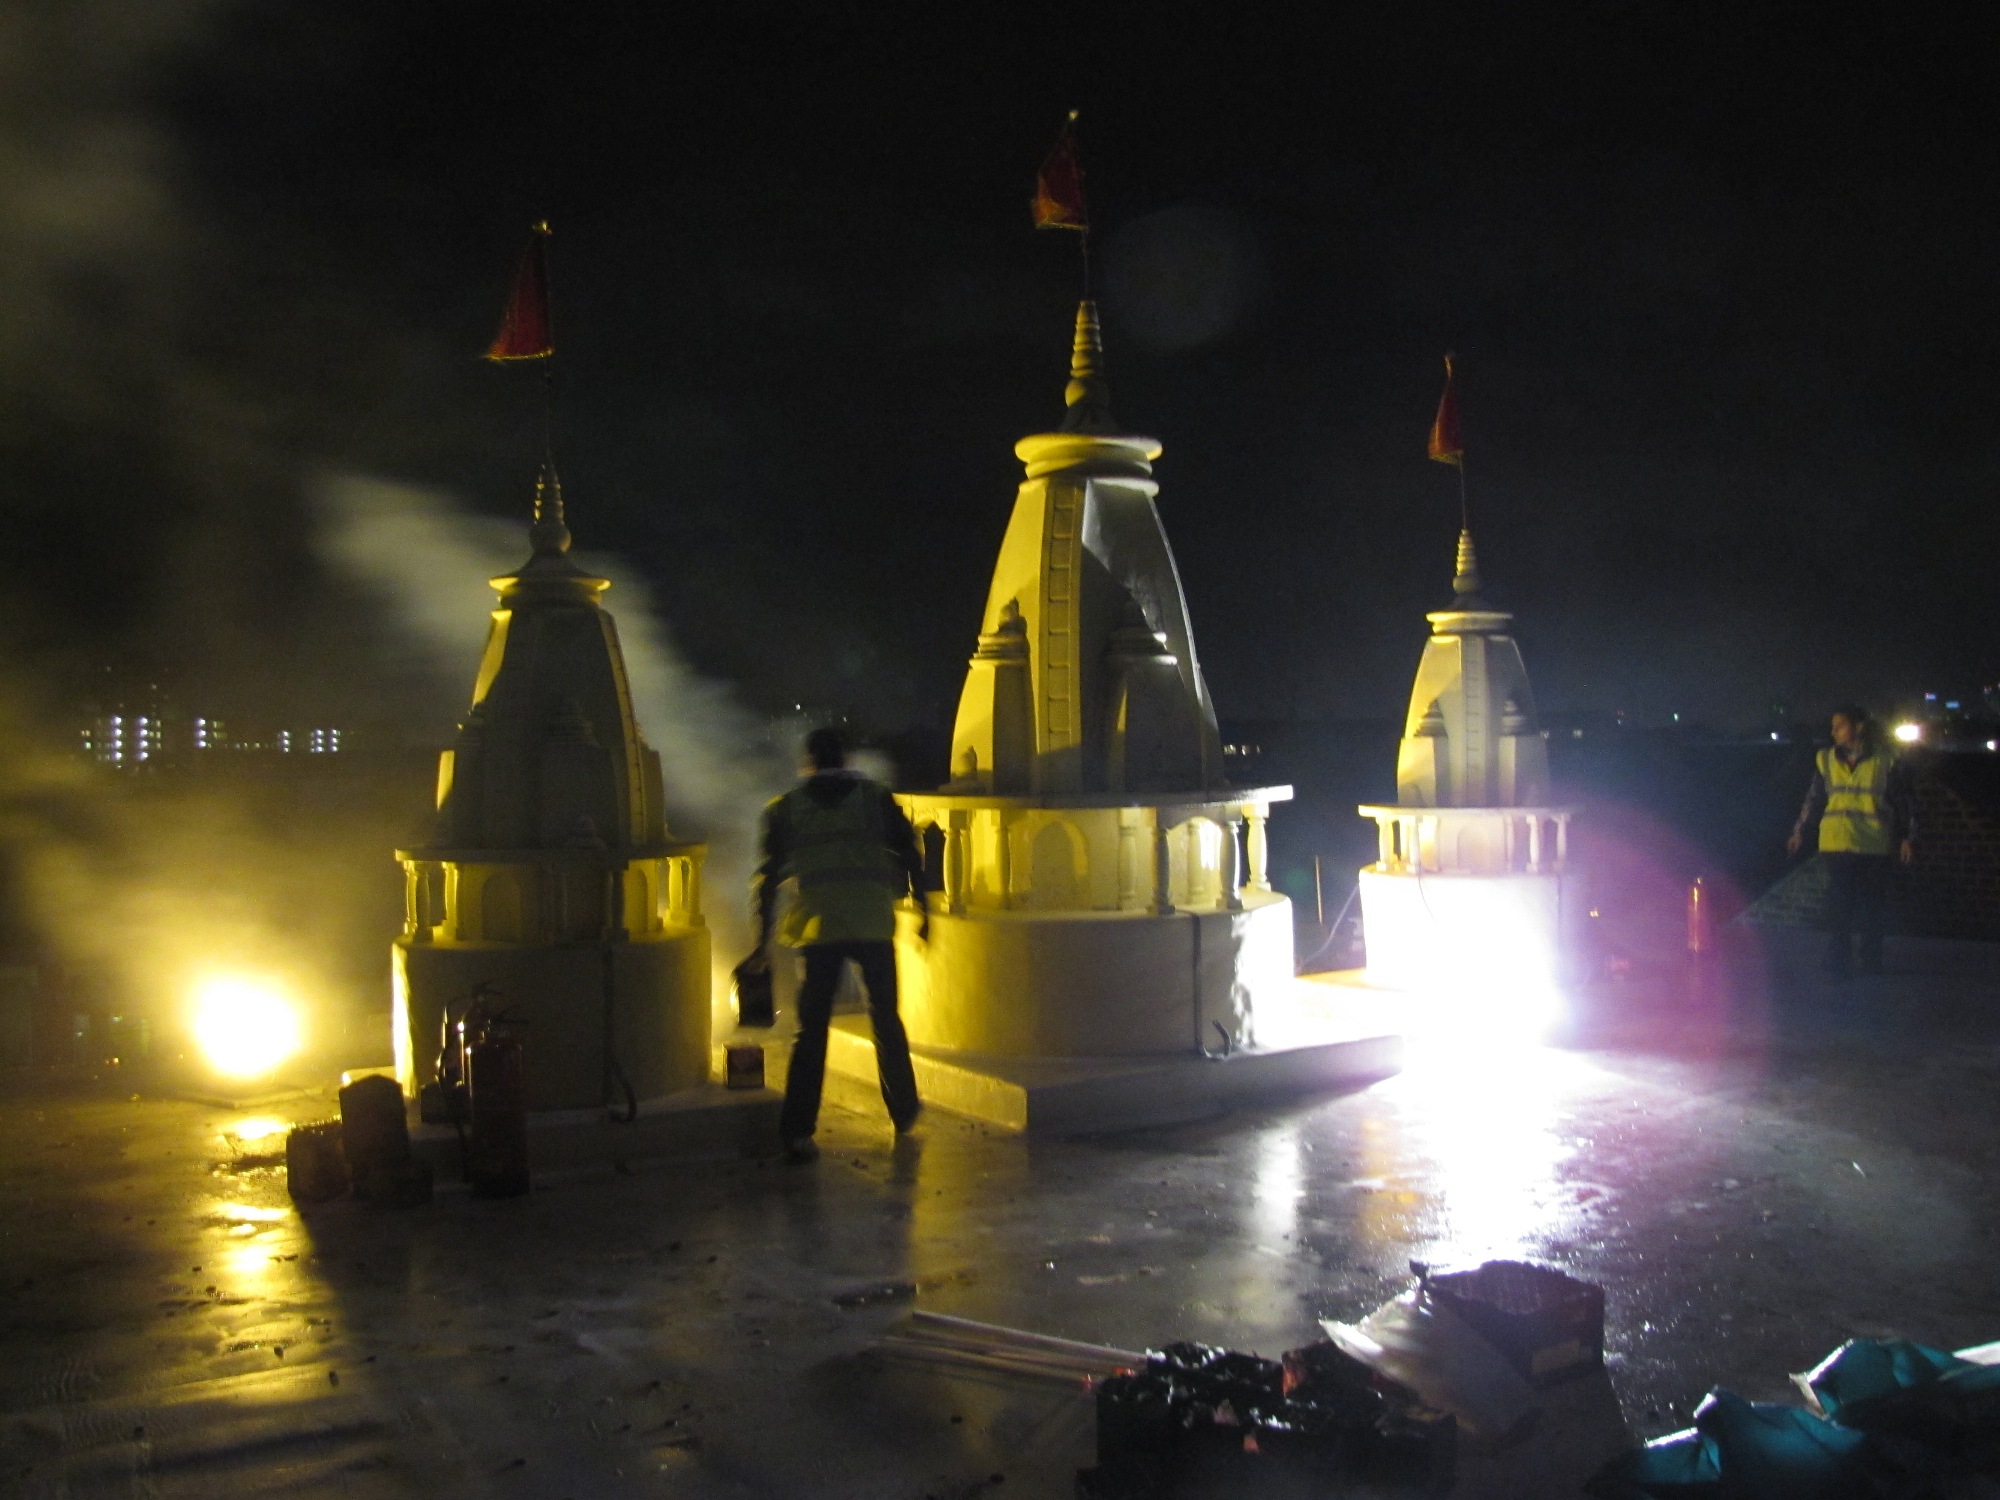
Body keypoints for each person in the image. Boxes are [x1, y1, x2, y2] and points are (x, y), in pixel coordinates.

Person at [748, 727, 925, 1161]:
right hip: (871, 925)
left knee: (811, 1033)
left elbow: (767, 879)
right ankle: (903, 1113)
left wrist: (761, 943)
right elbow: (910, 852)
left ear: (807, 761)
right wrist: (924, 909)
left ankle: (796, 1131)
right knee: (885, 1018)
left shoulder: (787, 809)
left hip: (818, 930)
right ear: (846, 759)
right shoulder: (875, 799)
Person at [1786, 704, 1915, 977]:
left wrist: (1907, 837)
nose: (1833, 732)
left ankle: (1870, 958)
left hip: (1873, 843)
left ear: (1858, 727)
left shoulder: (1885, 759)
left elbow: (1903, 801)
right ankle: (1838, 958)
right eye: (1832, 726)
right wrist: (1800, 831)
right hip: (1837, 842)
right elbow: (1814, 799)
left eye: (1840, 725)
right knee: (1839, 906)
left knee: (1872, 907)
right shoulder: (1826, 760)